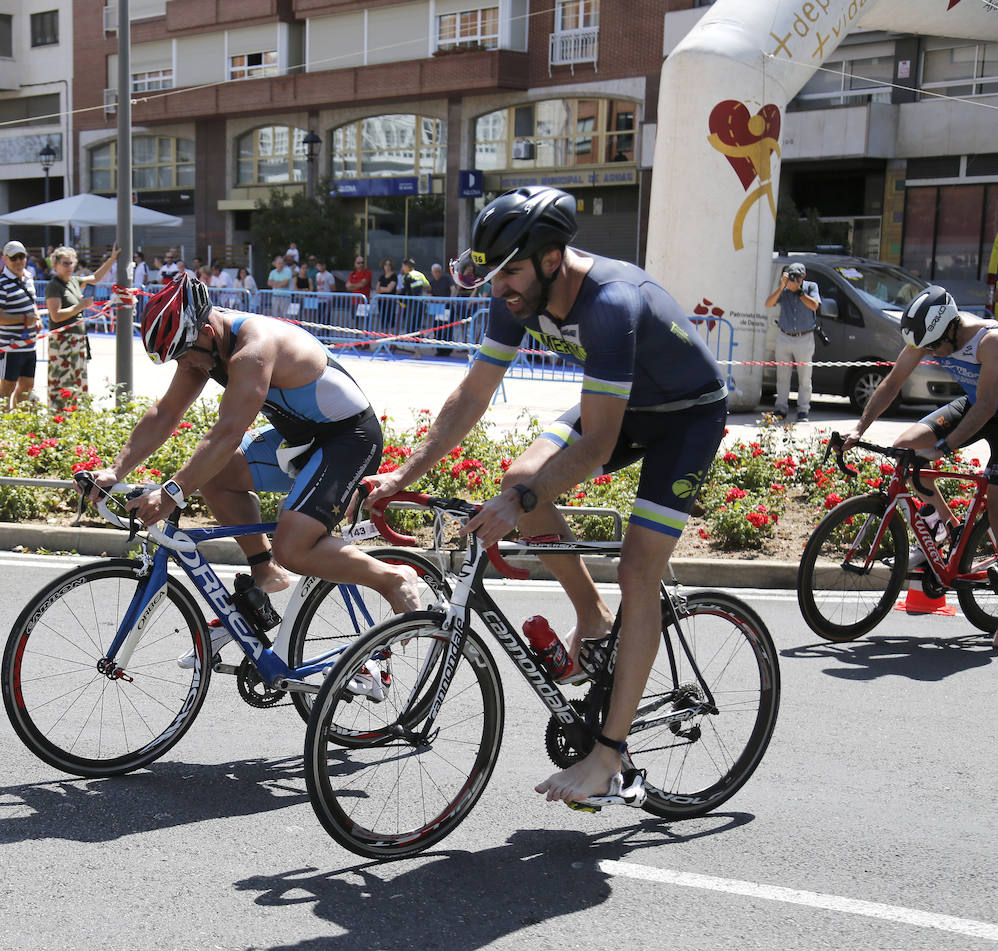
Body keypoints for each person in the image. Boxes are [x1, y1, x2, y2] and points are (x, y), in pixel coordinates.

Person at [366, 185, 727, 806]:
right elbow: (472, 396)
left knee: (640, 569)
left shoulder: (612, 304)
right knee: (517, 476)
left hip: (686, 417)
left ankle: (607, 761)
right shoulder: (516, 297)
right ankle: (592, 615)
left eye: (511, 271)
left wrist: (517, 510)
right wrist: (406, 474)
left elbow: (595, 448)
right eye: (493, 271)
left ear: (553, 259)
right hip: (623, 402)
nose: (499, 287)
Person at [88, 272, 421, 663]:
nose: (184, 364)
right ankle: (265, 571)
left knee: (294, 546)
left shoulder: (253, 349)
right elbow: (164, 414)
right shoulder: (204, 347)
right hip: (300, 440)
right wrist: (116, 471)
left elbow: (228, 432)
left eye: (183, 353)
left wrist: (172, 492)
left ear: (208, 332)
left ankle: (394, 579)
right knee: (217, 473)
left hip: (349, 440)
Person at [843, 286, 997, 606]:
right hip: (976, 404)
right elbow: (893, 381)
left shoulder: (989, 342)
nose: (932, 354)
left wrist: (945, 446)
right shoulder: (931, 336)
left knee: (996, 501)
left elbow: (986, 405)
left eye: (935, 347)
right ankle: (949, 529)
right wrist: (860, 427)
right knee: (908, 450)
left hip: (989, 406)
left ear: (951, 328)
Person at [44, 243, 119, 409]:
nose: (69, 267)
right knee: (61, 379)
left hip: (77, 339)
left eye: (71, 263)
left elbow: (95, 278)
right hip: (62, 340)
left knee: (78, 378)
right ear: (55, 265)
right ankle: (58, 414)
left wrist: (112, 259)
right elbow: (56, 315)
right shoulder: (54, 286)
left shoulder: (75, 282)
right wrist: (80, 306)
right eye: (65, 263)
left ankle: (77, 412)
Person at [765, 261, 821, 423]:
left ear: (803, 276)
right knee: (782, 376)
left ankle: (803, 410)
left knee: (805, 378)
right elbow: (768, 303)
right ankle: (780, 408)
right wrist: (782, 287)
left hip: (804, 338)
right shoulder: (784, 289)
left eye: (797, 276)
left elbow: (814, 305)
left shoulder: (811, 287)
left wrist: (799, 292)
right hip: (784, 336)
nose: (794, 279)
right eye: (791, 275)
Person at [0, 240, 41, 410]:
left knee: (27, 387)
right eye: (14, 258)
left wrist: (37, 318)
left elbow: (32, 303)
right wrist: (24, 318)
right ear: (5, 259)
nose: (19, 261)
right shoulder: (0, 284)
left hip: (29, 345)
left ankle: (20, 424)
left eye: (22, 257)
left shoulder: (29, 278)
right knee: (6, 389)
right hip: (9, 347)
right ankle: (1, 425)